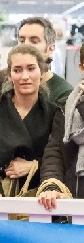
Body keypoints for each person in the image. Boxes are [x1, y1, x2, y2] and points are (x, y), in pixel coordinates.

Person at [0, 44, 62, 198]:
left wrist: (34, 166)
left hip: (40, 199)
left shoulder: (54, 113)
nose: (25, 76)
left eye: (31, 69)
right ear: (9, 75)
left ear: (42, 72)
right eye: (17, 70)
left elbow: (59, 158)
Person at [37, 44, 84, 210]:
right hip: (74, 201)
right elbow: (55, 150)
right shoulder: (68, 107)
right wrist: (52, 186)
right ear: (81, 67)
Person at [17, 16, 72, 107]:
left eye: (34, 41)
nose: (25, 46)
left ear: (50, 49)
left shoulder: (63, 93)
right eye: (22, 41)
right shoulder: (11, 85)